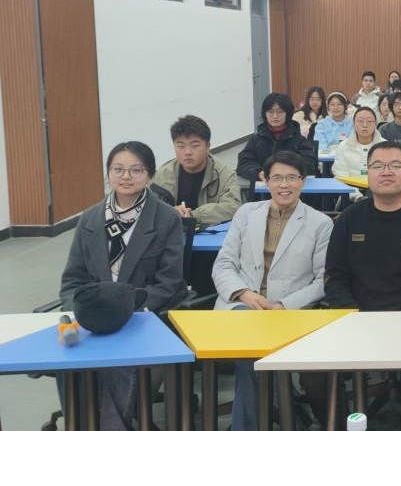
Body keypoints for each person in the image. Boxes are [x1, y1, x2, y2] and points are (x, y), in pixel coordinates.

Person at [318, 142, 401, 428]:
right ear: (367, 172)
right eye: (378, 166)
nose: (386, 172)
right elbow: (335, 276)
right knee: (316, 371)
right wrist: (353, 315)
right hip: (357, 321)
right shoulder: (350, 218)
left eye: (396, 165)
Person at [59, 141, 186, 430]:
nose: (126, 176)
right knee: (68, 366)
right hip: (92, 320)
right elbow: (72, 280)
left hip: (140, 317)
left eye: (136, 170)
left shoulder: (166, 218)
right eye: (118, 169)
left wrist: (126, 311)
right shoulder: (90, 219)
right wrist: (81, 311)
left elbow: (169, 282)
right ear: (108, 173)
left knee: (118, 365)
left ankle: (108, 434)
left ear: (150, 175)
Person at [211, 151, 333, 430]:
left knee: (251, 355)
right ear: (265, 181)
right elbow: (224, 263)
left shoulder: (320, 223)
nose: (284, 185)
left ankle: (246, 428)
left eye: (291, 178)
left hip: (288, 312)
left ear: (303, 181)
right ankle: (277, 416)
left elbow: (322, 281)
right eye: (277, 178)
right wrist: (244, 293)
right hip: (241, 306)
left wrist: (282, 306)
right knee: (252, 344)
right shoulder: (246, 213)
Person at [152, 115, 241, 227]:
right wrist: (171, 213)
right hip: (172, 233)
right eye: (180, 146)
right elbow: (149, 208)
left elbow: (232, 207)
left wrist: (193, 215)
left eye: (195, 146)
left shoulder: (224, 174)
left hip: (210, 233)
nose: (187, 152)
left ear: (208, 146)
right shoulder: (163, 174)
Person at [237, 92, 317, 184]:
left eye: (280, 112)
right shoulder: (256, 140)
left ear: (288, 114)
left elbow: (308, 164)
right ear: (265, 113)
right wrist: (259, 173)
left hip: (291, 187)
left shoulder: (299, 140)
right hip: (263, 187)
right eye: (270, 112)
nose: (275, 116)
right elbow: (244, 164)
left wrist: (284, 173)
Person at [331, 106, 383, 177]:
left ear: (376, 124)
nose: (365, 125)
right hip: (350, 184)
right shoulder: (343, 146)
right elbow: (340, 173)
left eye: (369, 121)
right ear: (353, 124)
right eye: (360, 121)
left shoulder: (385, 146)